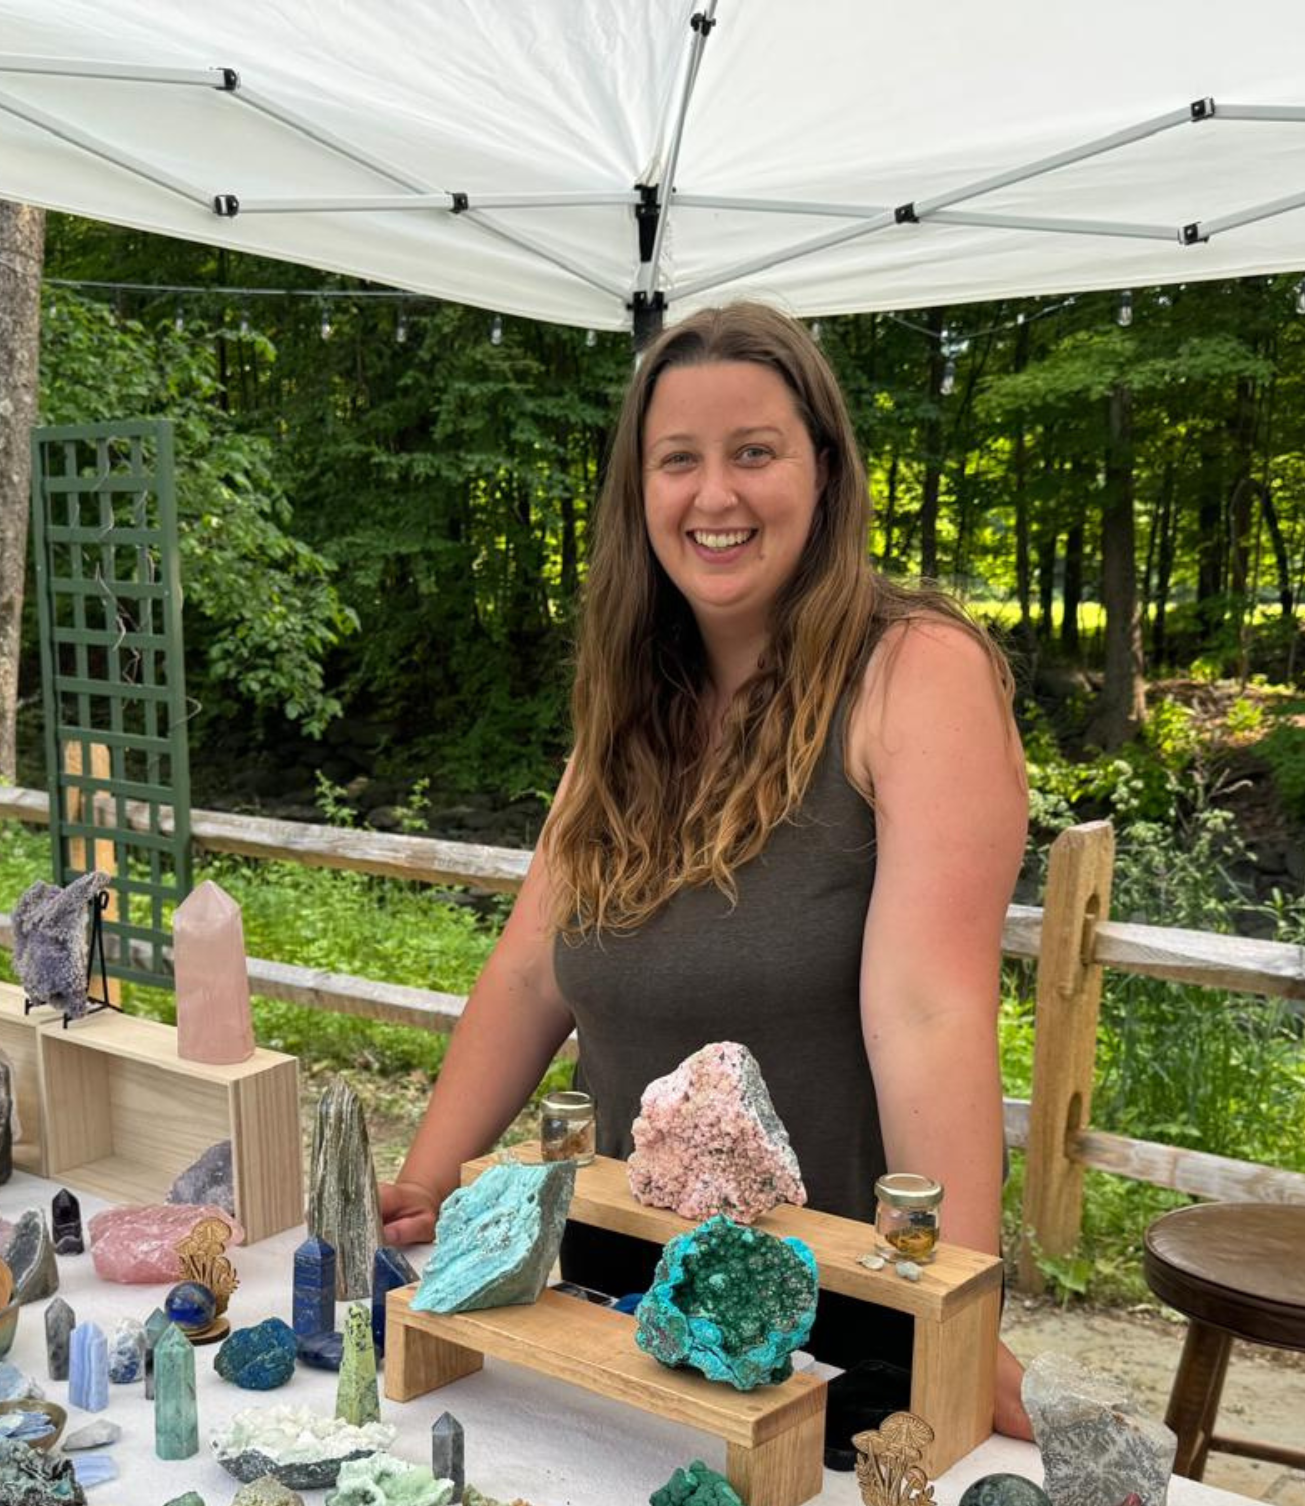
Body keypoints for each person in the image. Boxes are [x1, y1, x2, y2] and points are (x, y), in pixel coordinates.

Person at [378, 302, 1032, 1438]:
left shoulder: (914, 672)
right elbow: (534, 970)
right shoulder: (626, 706)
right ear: (639, 491)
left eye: (753, 453)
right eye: (676, 460)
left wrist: (953, 1326)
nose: (713, 496)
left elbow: (930, 1012)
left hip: (818, 1342)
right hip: (599, 1307)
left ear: (823, 473)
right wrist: (423, 1190)